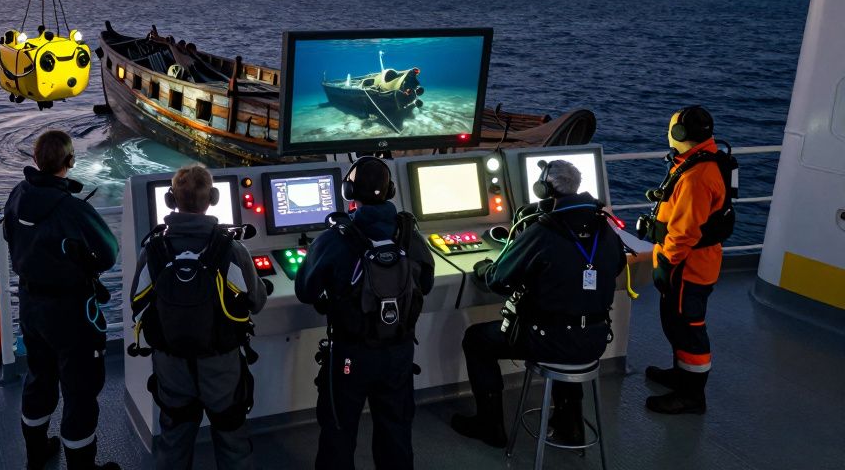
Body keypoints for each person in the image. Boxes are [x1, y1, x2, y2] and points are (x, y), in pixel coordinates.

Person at [451, 159, 625, 449]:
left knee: (477, 340)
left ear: (543, 190)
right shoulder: (605, 228)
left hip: (546, 340)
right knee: (568, 336)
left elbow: (498, 280)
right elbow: (617, 266)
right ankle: (571, 425)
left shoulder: (543, 231)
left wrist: (483, 268)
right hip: (594, 340)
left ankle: (490, 426)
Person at [295, 156, 434, 470]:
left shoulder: (334, 239)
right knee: (396, 431)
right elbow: (425, 283)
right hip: (399, 353)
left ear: (348, 191)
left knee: (339, 433)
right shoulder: (408, 236)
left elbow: (305, 291)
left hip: (350, 357)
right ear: (391, 191)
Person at [130, 164, 267, 470]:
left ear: (170, 200)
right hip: (221, 364)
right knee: (232, 439)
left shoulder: (153, 250)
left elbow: (136, 303)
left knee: (174, 440)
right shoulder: (232, 250)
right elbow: (256, 302)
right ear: (213, 198)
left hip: (171, 364)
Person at [4, 131, 121, 470]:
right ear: (70, 162)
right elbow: (109, 253)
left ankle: (36, 453)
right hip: (70, 312)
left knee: (39, 377)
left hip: (30, 305)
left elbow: (10, 233)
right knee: (80, 390)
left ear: (35, 159)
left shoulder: (17, 195)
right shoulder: (71, 209)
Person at [644, 106, 727, 415]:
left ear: (679, 134)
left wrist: (666, 263)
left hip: (687, 267)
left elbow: (684, 232)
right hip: (691, 264)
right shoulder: (698, 162)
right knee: (675, 323)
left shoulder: (697, 177)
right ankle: (680, 375)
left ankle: (692, 396)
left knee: (688, 328)